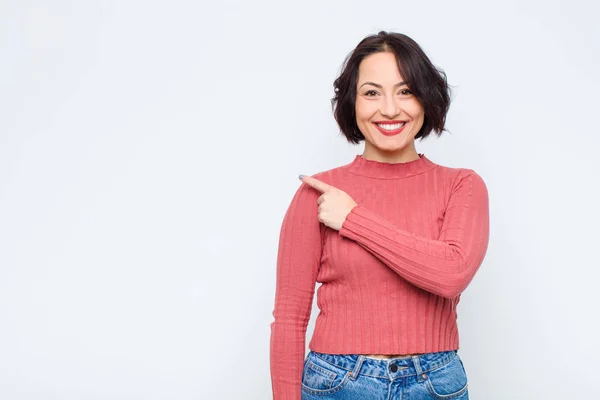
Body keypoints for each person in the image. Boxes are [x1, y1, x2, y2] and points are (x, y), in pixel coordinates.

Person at [269, 31, 490, 400]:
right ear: (352, 103)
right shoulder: (318, 194)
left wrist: (354, 219)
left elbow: (450, 273)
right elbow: (289, 319)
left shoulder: (461, 186)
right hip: (337, 382)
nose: (389, 109)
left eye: (405, 91)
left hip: (434, 383)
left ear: (426, 98)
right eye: (372, 92)